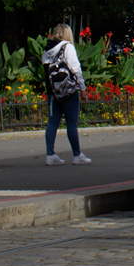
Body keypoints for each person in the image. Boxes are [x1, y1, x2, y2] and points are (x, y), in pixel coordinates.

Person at [43, 23, 90, 166]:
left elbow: (46, 71)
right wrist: (83, 89)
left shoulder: (47, 49)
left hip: (53, 91)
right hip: (68, 91)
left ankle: (50, 154)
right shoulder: (68, 47)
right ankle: (77, 155)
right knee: (71, 123)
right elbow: (76, 69)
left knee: (52, 122)